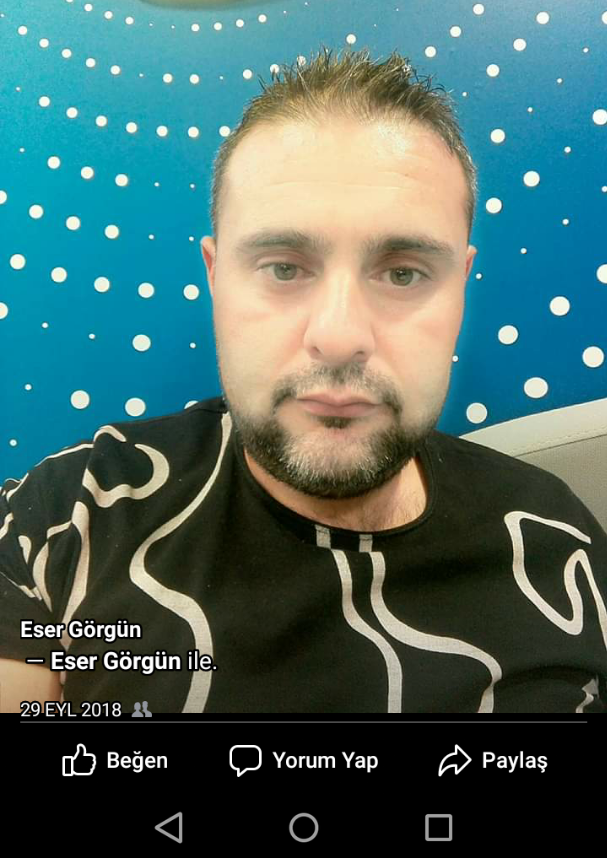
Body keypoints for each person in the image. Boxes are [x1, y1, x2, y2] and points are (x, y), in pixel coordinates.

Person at [1, 47, 606, 714]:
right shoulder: (64, 519)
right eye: (284, 268)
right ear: (215, 277)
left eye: (403, 272)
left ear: (460, 286)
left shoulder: (556, 536)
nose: (340, 335)